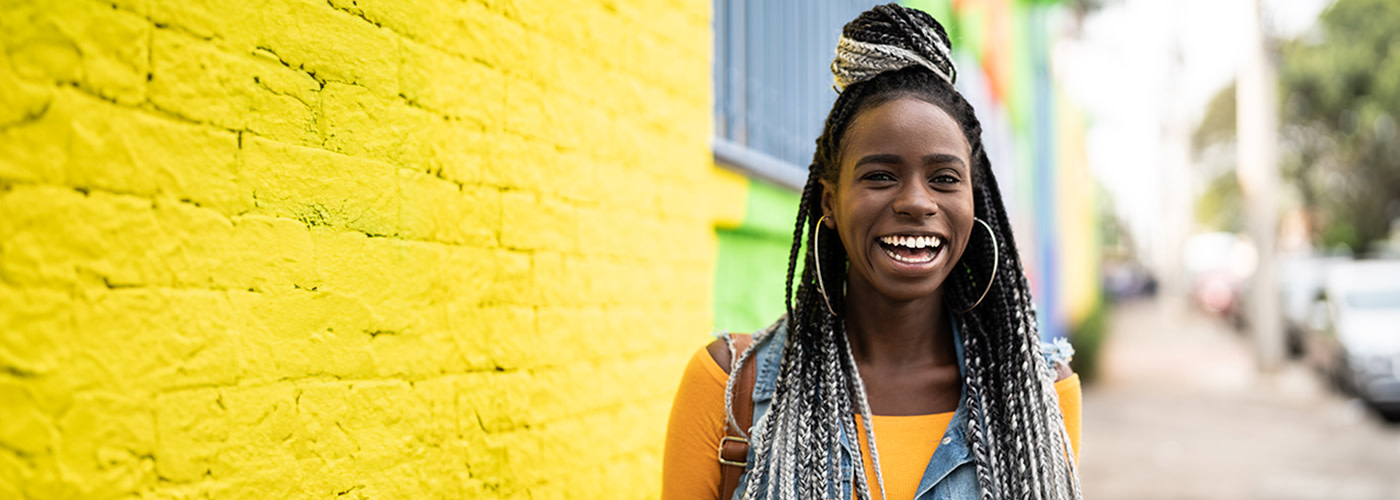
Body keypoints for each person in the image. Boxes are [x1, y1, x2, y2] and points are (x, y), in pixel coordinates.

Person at [662, 4, 1081, 500]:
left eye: (944, 178)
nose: (916, 203)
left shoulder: (1039, 395)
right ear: (830, 202)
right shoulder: (729, 389)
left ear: (976, 201)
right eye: (880, 176)